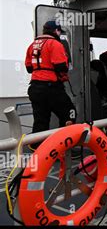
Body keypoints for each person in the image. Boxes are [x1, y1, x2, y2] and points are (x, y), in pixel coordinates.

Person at [24, 20, 76, 150]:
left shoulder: (32, 45)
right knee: (69, 114)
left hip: (35, 88)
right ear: (56, 31)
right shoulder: (55, 44)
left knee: (41, 120)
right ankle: (63, 148)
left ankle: (37, 148)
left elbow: (29, 68)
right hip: (51, 88)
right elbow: (61, 67)